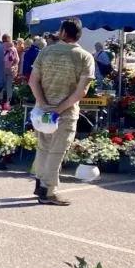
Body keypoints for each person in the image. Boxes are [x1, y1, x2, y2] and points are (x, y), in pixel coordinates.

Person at [29, 17, 94, 206]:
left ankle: (40, 183)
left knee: (43, 148)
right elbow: (81, 91)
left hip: (43, 110)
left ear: (63, 32)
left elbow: (33, 81)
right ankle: (48, 191)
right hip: (65, 112)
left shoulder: (46, 52)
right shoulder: (84, 57)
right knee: (57, 152)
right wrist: (59, 108)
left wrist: (42, 103)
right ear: (79, 34)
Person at [1, 34, 20, 111]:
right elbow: (17, 60)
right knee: (9, 86)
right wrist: (13, 66)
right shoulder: (13, 48)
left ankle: (0, 102)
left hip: (1, 69)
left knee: (1, 86)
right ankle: (8, 103)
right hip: (10, 70)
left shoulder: (0, 47)